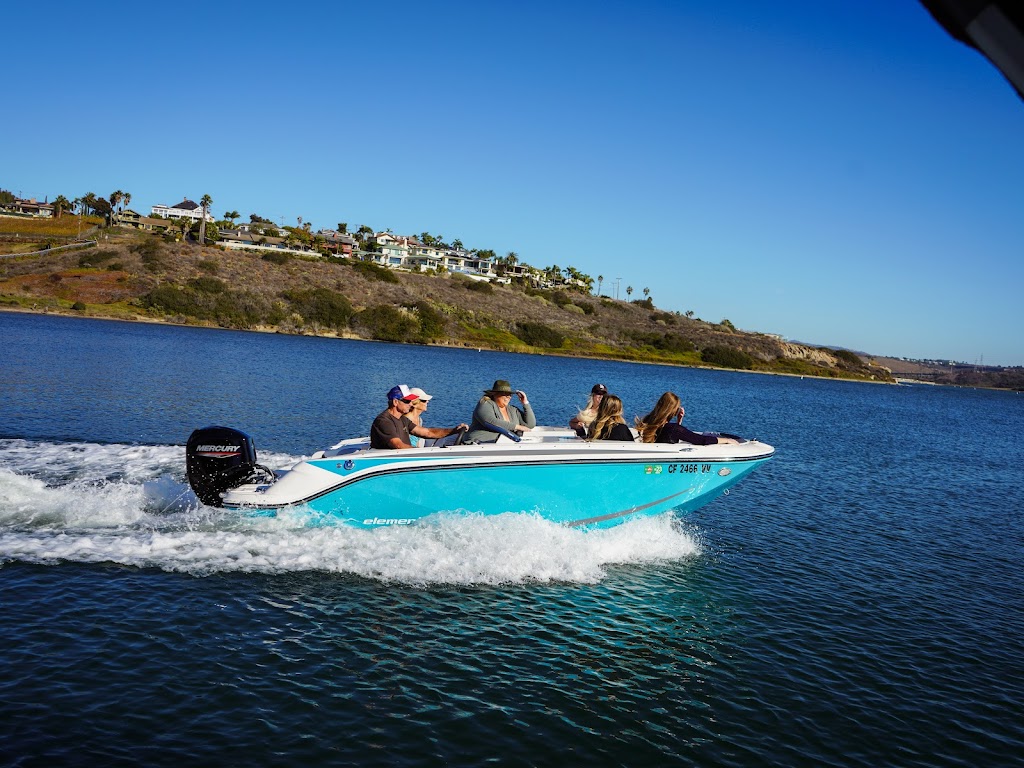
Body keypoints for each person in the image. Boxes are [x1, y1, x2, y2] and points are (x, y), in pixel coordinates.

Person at [370, 385, 467, 449]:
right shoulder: (384, 421)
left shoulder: (402, 419)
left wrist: (454, 430)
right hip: (391, 462)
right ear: (395, 402)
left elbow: (428, 432)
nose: (411, 404)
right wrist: (423, 453)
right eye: (407, 401)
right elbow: (398, 445)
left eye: (411, 401)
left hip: (403, 459)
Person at [635, 392, 739, 445]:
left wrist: (678, 422)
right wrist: (726, 440)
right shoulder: (673, 429)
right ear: (673, 411)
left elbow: (667, 434)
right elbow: (700, 440)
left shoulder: (647, 421)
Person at [464, 379, 536, 443]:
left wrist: (525, 403)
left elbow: (530, 424)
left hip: (504, 443)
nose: (508, 397)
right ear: (494, 394)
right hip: (478, 442)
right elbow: (490, 421)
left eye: (510, 394)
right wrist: (517, 427)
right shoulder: (485, 404)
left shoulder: (513, 409)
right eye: (504, 394)